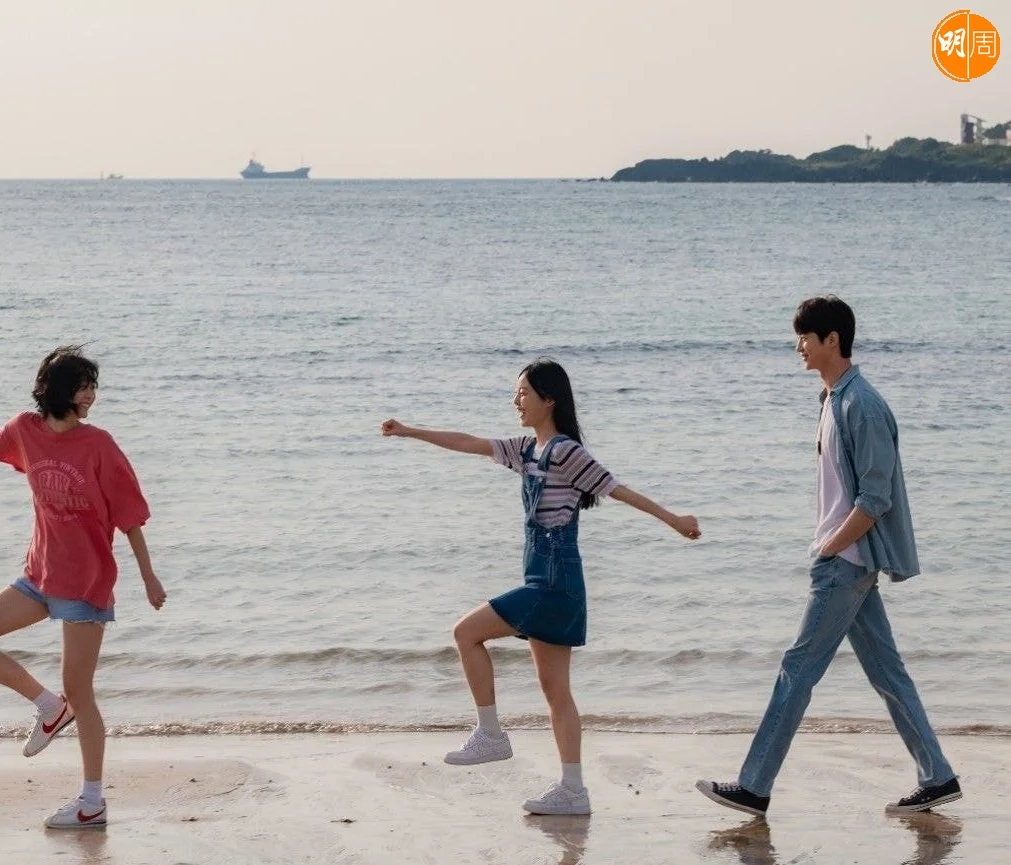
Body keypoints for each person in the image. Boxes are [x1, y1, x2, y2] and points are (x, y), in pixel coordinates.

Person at [382, 358, 701, 816]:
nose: (516, 400)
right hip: (547, 577)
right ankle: (573, 791)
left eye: (524, 393)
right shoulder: (526, 450)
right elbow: (468, 442)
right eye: (517, 393)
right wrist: (410, 431)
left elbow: (617, 490)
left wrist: (674, 519)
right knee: (556, 692)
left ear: (549, 399)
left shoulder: (565, 452)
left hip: (555, 580)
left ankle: (491, 734)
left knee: (466, 633)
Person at [696, 296, 960, 818]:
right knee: (887, 673)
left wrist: (831, 545)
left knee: (797, 668)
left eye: (805, 337)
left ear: (831, 340)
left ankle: (754, 786)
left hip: (846, 562)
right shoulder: (834, 399)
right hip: (846, 559)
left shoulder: (862, 405)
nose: (798, 346)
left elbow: (876, 498)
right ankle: (938, 777)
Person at [0, 346, 166, 830]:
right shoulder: (25, 430)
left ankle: (92, 802)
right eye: (84, 386)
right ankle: (49, 707)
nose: (91, 395)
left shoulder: (100, 445)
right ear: (57, 390)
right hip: (40, 574)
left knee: (81, 692)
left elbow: (130, 516)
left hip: (85, 582)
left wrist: (148, 575)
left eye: (93, 386)